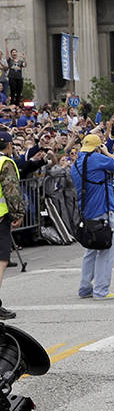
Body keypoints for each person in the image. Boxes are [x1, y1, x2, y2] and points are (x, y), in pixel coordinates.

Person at [71, 130, 114, 300]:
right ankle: (101, 290)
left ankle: (85, 287)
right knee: (105, 251)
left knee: (91, 251)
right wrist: (108, 152)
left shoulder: (76, 164)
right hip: (102, 211)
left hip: (87, 212)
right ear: (97, 148)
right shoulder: (97, 159)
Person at [0, 130, 24, 319]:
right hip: (0, 218)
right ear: (8, 145)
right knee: (1, 262)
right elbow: (11, 191)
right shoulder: (5, 163)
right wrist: (18, 213)